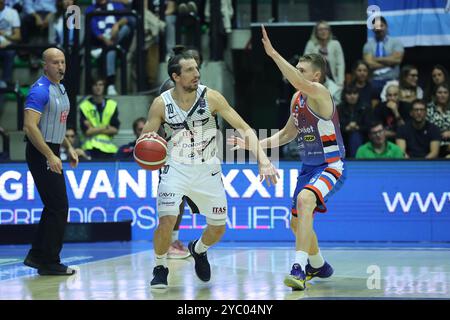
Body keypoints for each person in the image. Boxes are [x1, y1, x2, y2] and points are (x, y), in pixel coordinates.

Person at [140, 49, 278, 289]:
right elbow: (145, 139)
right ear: (176, 76)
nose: (197, 73)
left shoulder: (212, 97)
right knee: (167, 220)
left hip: (208, 170)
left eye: (197, 68)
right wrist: (146, 148)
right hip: (175, 168)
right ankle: (160, 266)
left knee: (218, 228)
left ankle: (198, 249)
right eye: (190, 70)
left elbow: (244, 128)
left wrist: (263, 159)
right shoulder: (161, 104)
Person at [232, 26, 346, 291]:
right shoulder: (297, 99)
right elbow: (285, 135)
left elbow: (298, 81)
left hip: (331, 165)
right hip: (309, 167)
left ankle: (299, 268)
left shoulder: (320, 93)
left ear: (315, 76)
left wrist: (272, 54)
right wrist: (253, 145)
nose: (297, 73)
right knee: (295, 223)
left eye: (301, 70)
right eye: (296, 68)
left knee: (306, 200)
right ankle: (318, 263)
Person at [22, 47, 77, 275]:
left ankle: (37, 255)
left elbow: (56, 123)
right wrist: (50, 155)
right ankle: (50, 262)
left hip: (53, 147)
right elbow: (30, 126)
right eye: (55, 62)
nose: (60, 66)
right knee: (59, 206)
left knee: (53, 206)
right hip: (40, 151)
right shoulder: (39, 91)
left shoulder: (60, 88)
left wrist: (68, 146)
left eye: (63, 62)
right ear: (45, 65)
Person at [86, 0, 135, 95]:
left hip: (116, 39)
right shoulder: (90, 9)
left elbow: (128, 18)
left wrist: (117, 24)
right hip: (99, 42)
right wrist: (104, 39)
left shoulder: (116, 5)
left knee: (126, 28)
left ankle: (105, 49)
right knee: (111, 49)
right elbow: (93, 29)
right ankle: (110, 85)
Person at [79, 77, 120, 159]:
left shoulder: (112, 105)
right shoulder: (84, 106)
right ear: (91, 87)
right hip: (90, 147)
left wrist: (94, 129)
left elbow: (115, 129)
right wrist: (106, 127)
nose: (98, 87)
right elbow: (87, 132)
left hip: (109, 149)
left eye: (100, 85)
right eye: (95, 85)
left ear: (104, 87)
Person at [363, 16, 404, 98]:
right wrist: (389, 63)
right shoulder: (368, 45)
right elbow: (370, 64)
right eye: (376, 27)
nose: (379, 29)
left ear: (386, 26)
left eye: (381, 26)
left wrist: (377, 59)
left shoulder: (396, 42)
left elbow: (397, 60)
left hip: (393, 79)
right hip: (375, 80)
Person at [304, 20, 345, 88]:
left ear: (329, 31)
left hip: (333, 81)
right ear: (316, 32)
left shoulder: (335, 44)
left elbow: (340, 64)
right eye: (320, 29)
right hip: (314, 82)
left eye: (326, 29)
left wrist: (340, 82)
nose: (323, 31)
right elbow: (305, 63)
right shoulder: (311, 44)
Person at [337, 85, 365, 157]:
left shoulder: (365, 108)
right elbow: (335, 126)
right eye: (349, 94)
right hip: (343, 135)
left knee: (355, 136)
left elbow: (369, 126)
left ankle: (356, 160)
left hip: (361, 136)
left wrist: (357, 127)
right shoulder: (339, 108)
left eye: (355, 93)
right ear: (345, 95)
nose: (352, 96)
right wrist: (346, 128)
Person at [0, 0, 21, 88]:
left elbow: (17, 36)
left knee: (9, 52)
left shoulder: (12, 12)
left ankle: (5, 81)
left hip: (7, 45)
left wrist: (6, 38)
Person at [426, 83, 450, 157]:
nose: (442, 95)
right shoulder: (428, 109)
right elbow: (425, 129)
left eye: (445, 93)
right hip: (433, 144)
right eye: (440, 92)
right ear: (435, 95)